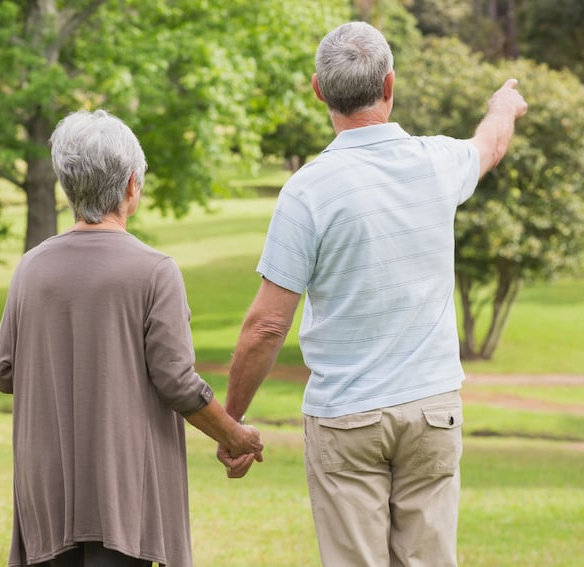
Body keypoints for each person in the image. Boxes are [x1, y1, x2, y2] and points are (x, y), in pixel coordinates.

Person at [217, 21, 528, 567]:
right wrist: (502, 105)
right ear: (389, 84)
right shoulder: (436, 162)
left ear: (319, 91)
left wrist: (232, 423)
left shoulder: (307, 191)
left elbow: (267, 326)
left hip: (346, 417)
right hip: (431, 411)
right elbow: (491, 143)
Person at [0, 109, 263, 567]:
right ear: (132, 185)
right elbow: (177, 382)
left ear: (67, 185)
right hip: (124, 493)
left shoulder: (31, 268)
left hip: (47, 490)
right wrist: (235, 436)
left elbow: (4, 373)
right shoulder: (155, 271)